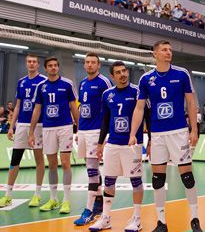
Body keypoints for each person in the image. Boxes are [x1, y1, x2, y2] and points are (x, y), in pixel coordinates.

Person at [129, 40, 202, 232]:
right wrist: (132, 133)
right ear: (155, 54)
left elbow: (191, 103)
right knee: (157, 178)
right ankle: (161, 222)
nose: (168, 52)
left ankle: (195, 219)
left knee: (187, 176)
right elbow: (139, 108)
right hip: (158, 134)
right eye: (164, 50)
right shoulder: (146, 79)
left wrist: (194, 129)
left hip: (178, 131)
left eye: (170, 49)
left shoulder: (181, 74)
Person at [89, 61, 146, 232]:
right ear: (112, 76)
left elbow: (147, 115)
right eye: (118, 72)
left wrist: (148, 142)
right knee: (109, 181)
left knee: (136, 180)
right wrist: (100, 143)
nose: (122, 74)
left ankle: (137, 218)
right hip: (112, 143)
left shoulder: (137, 91)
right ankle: (106, 218)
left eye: (124, 71)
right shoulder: (107, 94)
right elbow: (105, 120)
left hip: (132, 144)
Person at [29, 57, 79, 214]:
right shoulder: (41, 86)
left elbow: (73, 106)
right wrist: (31, 132)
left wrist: (80, 128)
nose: (53, 68)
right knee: (51, 164)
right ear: (45, 68)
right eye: (50, 66)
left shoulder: (67, 84)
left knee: (65, 163)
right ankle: (53, 199)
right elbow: (37, 109)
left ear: (58, 67)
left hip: (65, 127)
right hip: (48, 128)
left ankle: (66, 201)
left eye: (55, 65)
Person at [0, 55, 47, 208]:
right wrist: (12, 126)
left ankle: (37, 195)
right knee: (15, 160)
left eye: (34, 62)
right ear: (26, 64)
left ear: (38, 65)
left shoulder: (44, 81)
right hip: (22, 125)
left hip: (39, 125)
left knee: (39, 160)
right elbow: (18, 106)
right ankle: (8, 195)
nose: (31, 64)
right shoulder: (21, 82)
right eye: (29, 62)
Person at [73, 53, 112, 226]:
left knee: (91, 171)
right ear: (84, 65)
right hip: (84, 131)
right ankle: (98, 203)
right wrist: (78, 130)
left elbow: (110, 107)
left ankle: (88, 210)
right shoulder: (82, 83)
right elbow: (82, 109)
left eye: (93, 63)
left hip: (96, 131)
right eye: (87, 62)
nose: (90, 65)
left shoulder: (104, 82)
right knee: (93, 169)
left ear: (99, 65)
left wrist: (104, 137)